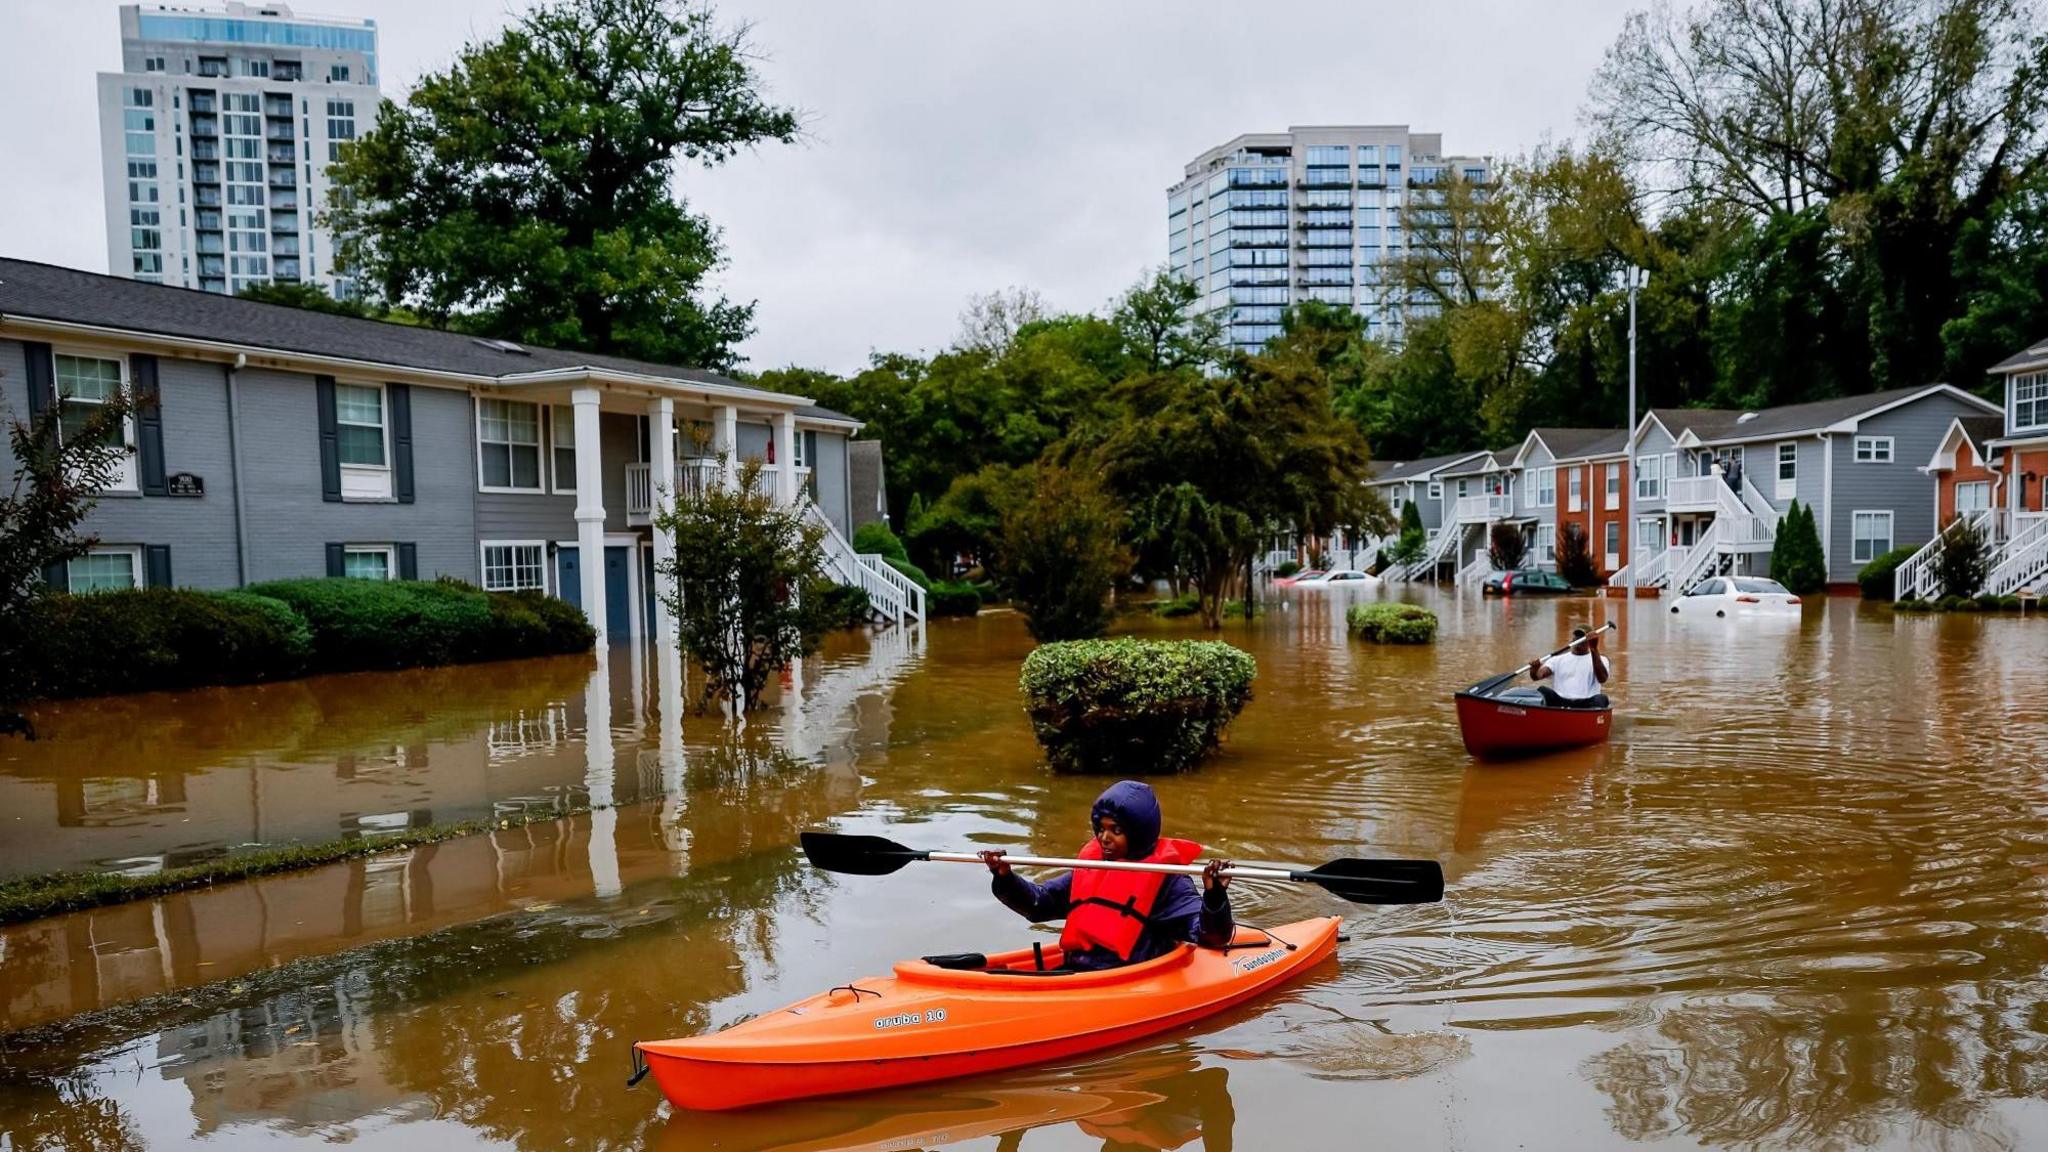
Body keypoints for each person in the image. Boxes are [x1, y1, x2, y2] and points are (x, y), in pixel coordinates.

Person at [980, 780, 1234, 971]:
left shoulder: (1167, 880)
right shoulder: (1095, 867)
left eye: (1116, 830)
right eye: (1100, 828)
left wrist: (1214, 896)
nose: (1104, 837)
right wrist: (1004, 877)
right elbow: (1039, 904)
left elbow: (1211, 937)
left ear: (1138, 833)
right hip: (1079, 972)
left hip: (1130, 978)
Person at [1527, 626, 1611, 708]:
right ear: (1572, 639)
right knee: (1542, 690)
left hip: (1586, 703)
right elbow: (1537, 676)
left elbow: (1602, 679)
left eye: (1582, 638)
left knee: (1601, 698)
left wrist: (1594, 649)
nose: (1579, 640)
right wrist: (1534, 668)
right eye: (1577, 637)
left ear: (1589, 642)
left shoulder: (1601, 659)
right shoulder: (1557, 659)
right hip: (1561, 702)